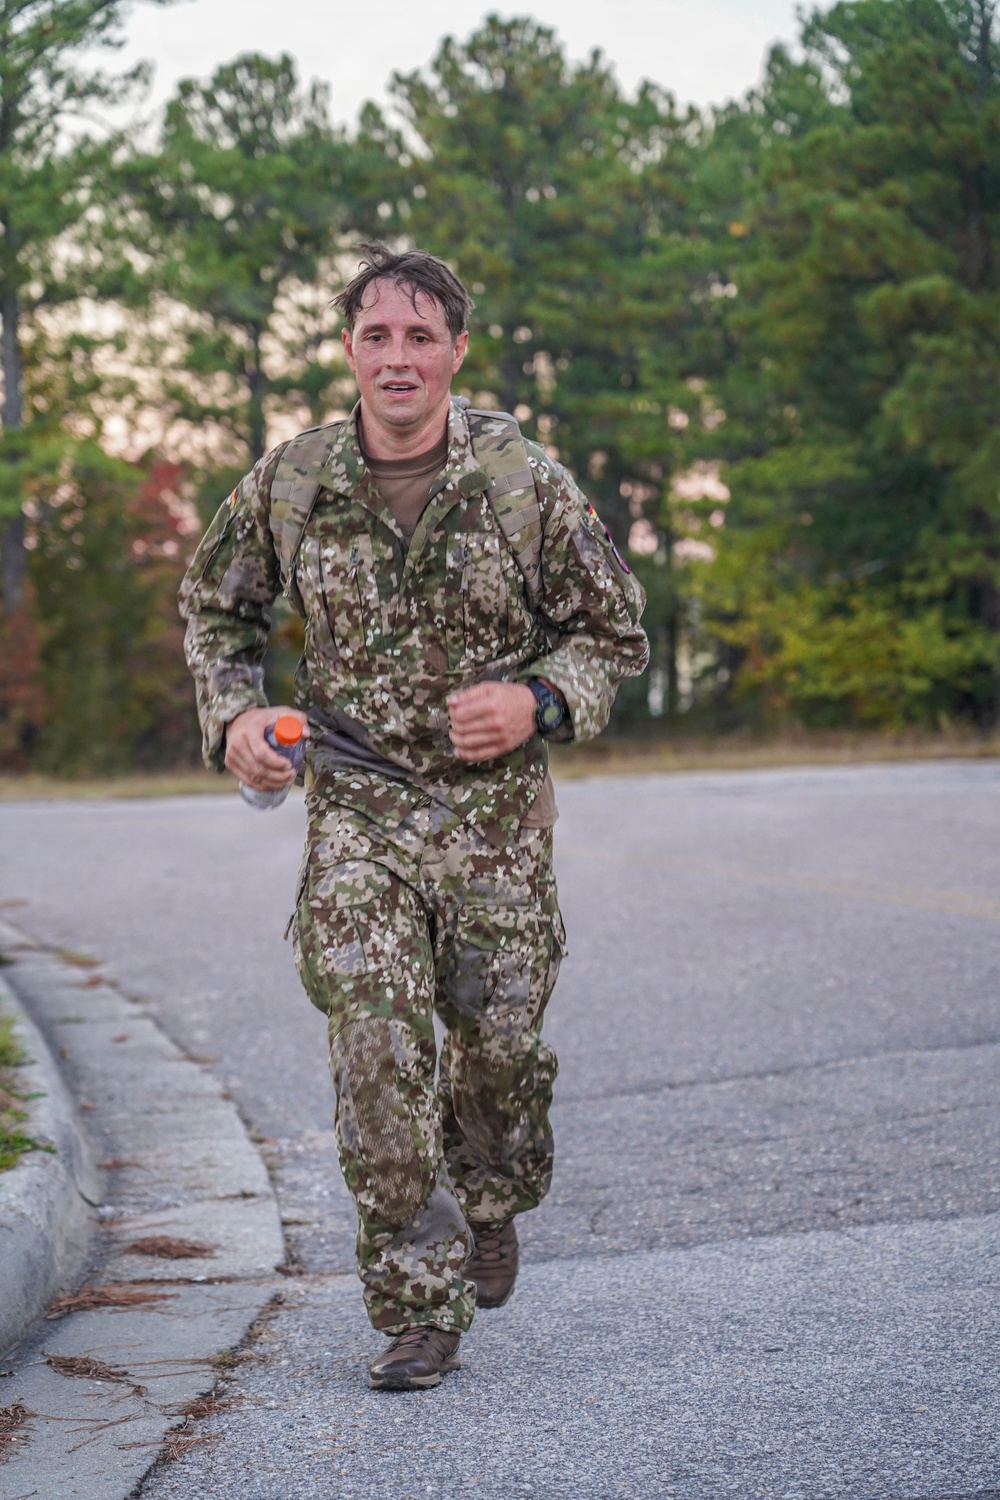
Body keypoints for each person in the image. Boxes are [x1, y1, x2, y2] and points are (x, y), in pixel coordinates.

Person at [180, 242, 648, 1391]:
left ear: (455, 352)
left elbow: (613, 632)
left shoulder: (522, 481)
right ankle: (416, 1303)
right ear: (348, 349)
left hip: (493, 819)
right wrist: (237, 717)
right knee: (378, 1040)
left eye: (420, 336)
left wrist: (536, 700)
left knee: (495, 1058)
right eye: (376, 336)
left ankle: (491, 1196)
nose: (399, 357)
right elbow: (214, 611)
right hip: (359, 806)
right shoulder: (292, 482)